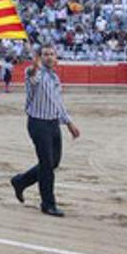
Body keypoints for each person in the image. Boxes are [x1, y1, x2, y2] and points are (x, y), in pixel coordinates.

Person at [10, 44, 81, 217]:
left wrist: (69, 123)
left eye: (52, 54)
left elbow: (58, 103)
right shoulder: (34, 73)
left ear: (56, 57)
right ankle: (47, 203)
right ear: (40, 57)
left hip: (53, 123)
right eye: (45, 54)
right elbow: (32, 75)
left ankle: (20, 181)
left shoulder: (55, 78)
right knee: (47, 165)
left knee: (53, 162)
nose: (49, 57)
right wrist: (35, 64)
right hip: (38, 123)